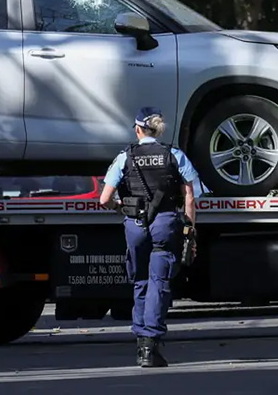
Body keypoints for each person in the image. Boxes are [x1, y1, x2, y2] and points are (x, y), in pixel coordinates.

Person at [99, 107, 198, 368]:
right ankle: (150, 345)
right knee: (158, 282)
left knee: (140, 282)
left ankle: (140, 340)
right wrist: (189, 229)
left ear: (138, 129)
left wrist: (122, 208)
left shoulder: (125, 157)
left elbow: (104, 199)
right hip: (164, 222)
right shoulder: (174, 155)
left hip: (134, 225)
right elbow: (189, 196)